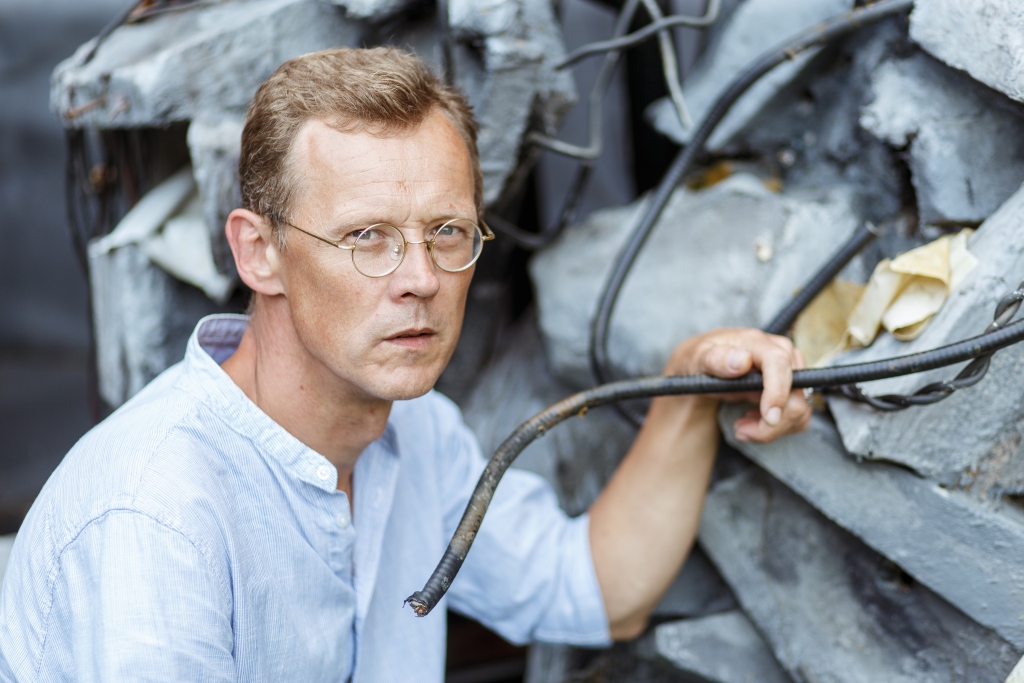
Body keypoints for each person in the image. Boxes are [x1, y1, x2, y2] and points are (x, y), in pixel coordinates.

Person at [0, 47, 810, 682]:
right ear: (260, 252)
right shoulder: (157, 519)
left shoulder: (413, 432)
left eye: (447, 233)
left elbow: (595, 588)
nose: (421, 278)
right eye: (368, 237)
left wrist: (690, 382)